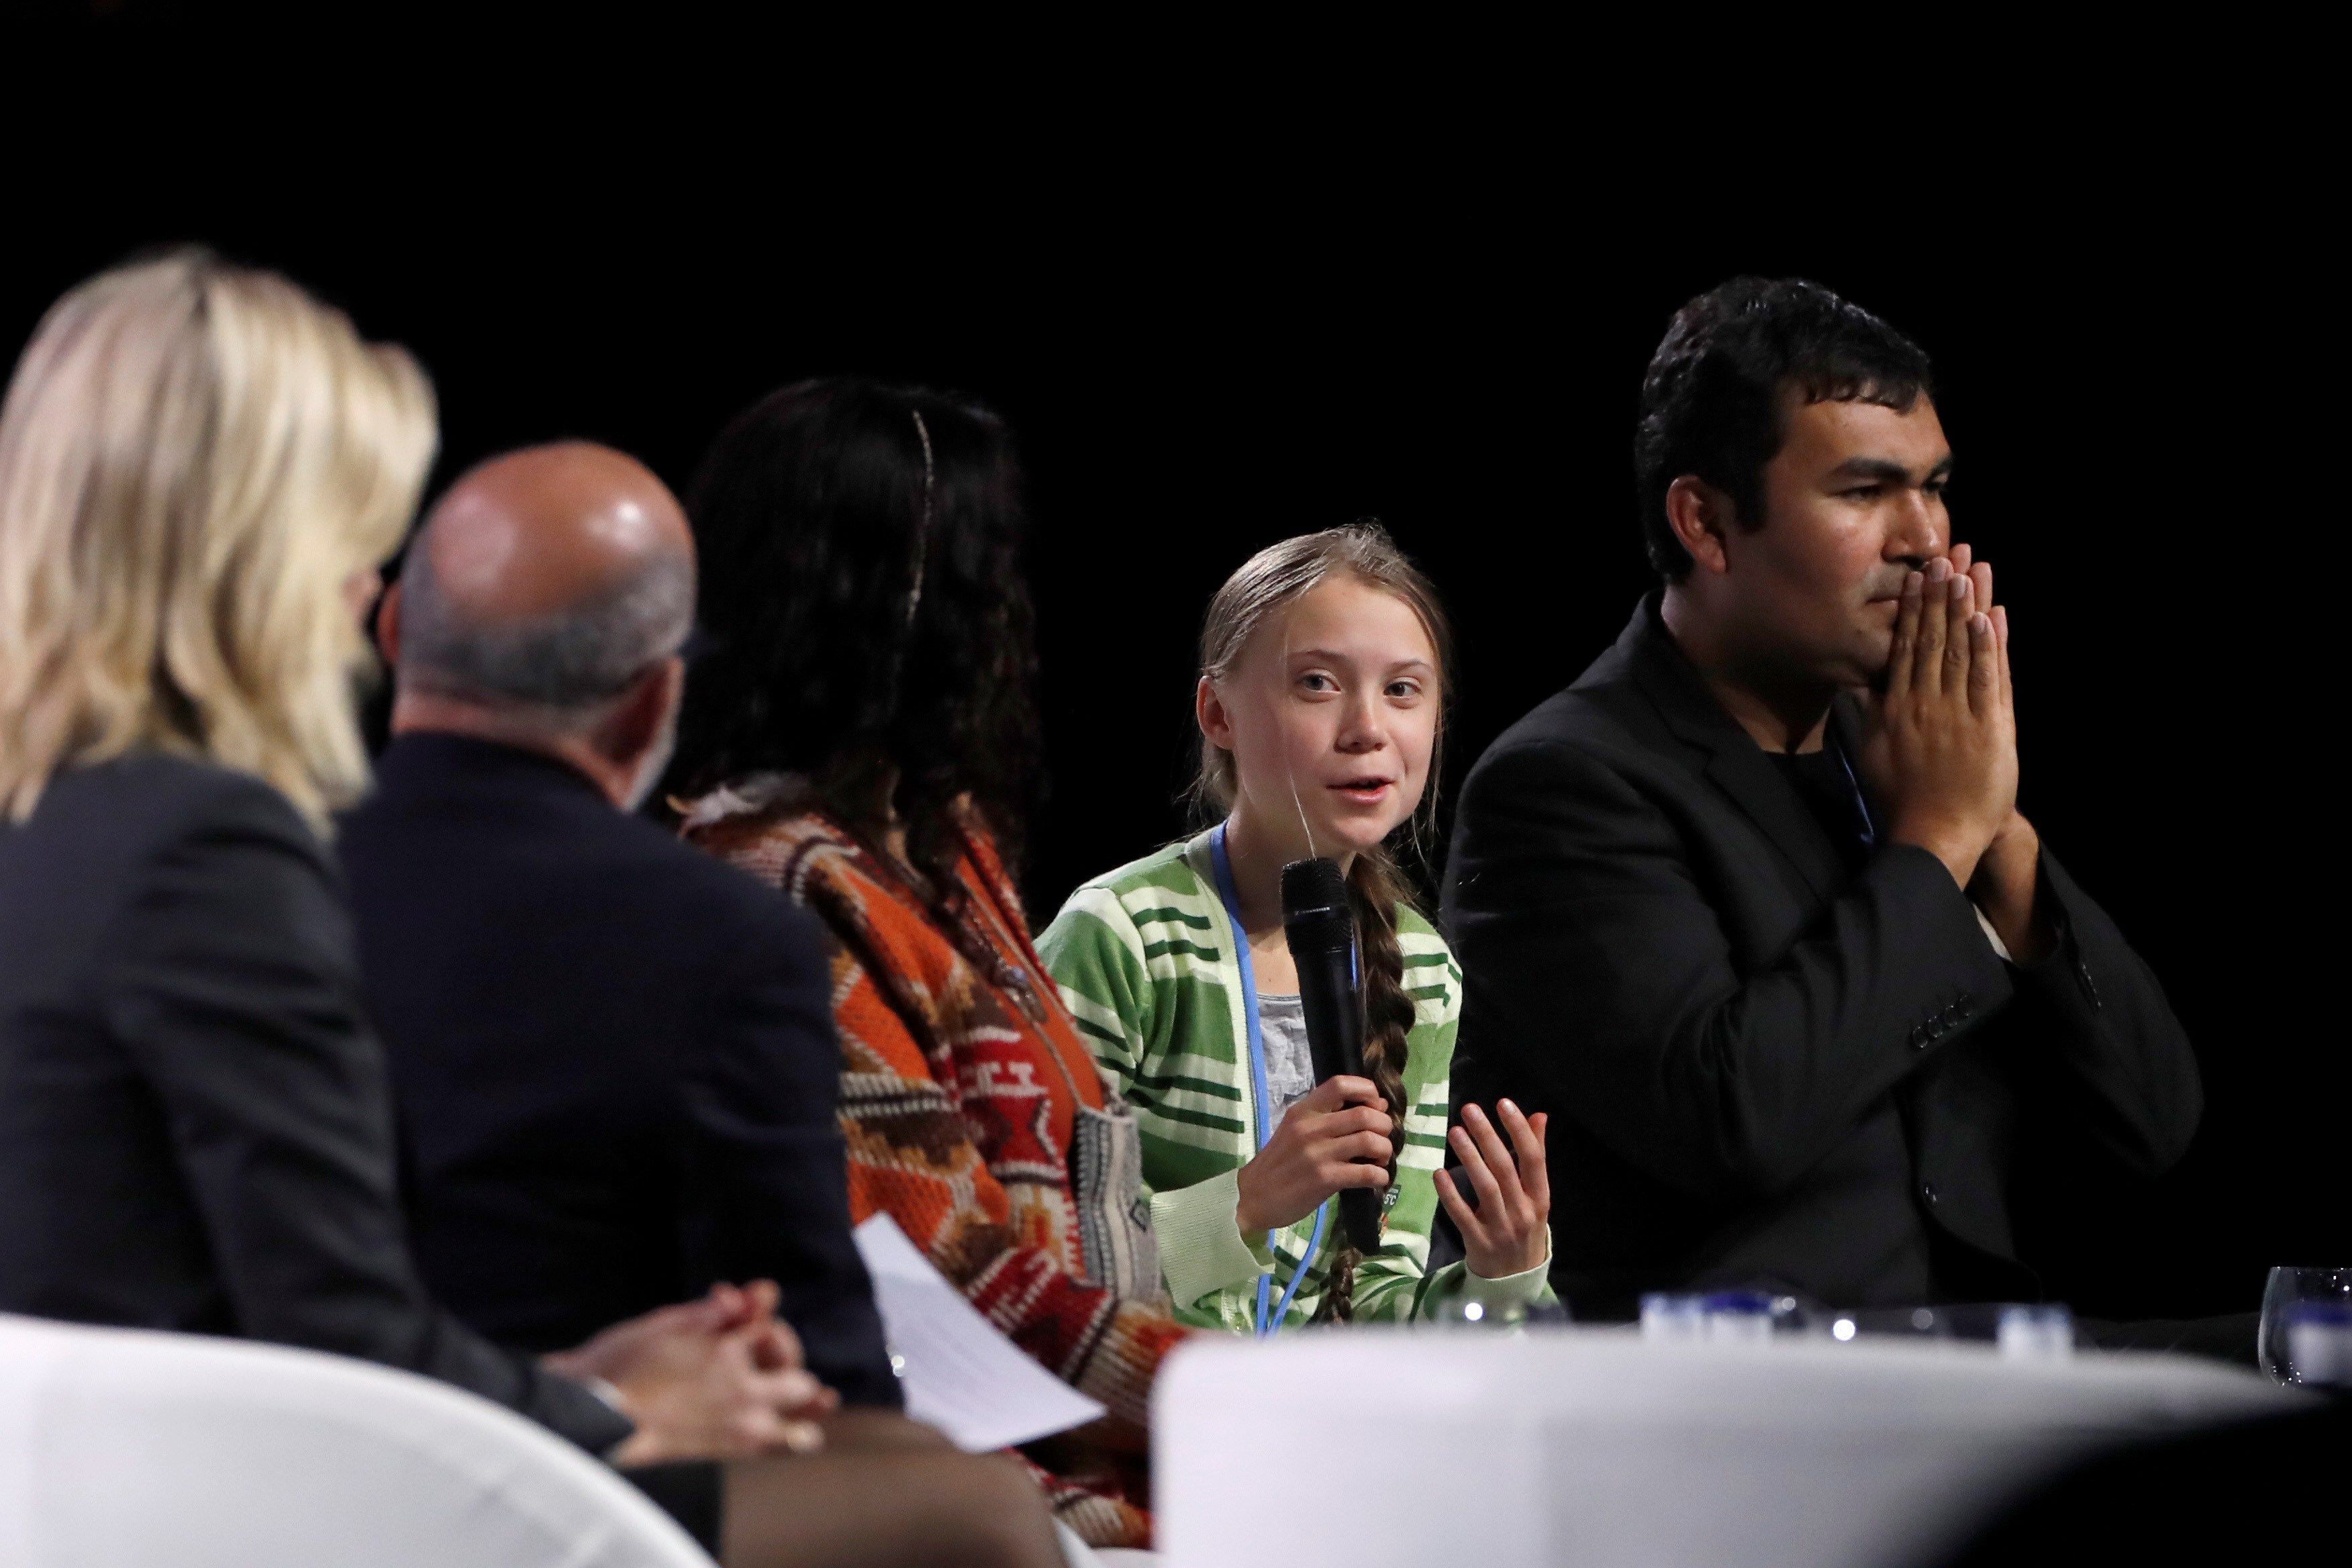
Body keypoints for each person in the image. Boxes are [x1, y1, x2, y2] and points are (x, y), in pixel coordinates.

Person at [0, 254, 1060, 1568]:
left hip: (138, 1489)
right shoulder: (211, 850)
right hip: (263, 1512)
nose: (352, 600)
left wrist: (580, 1370)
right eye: (347, 544)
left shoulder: (55, 821)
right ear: (250, 554)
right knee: (973, 1514)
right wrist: (622, 1402)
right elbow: (341, 1355)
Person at [1441, 277, 2202, 1319]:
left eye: (1934, 486)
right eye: (1863, 491)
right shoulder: (1565, 786)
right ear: (1705, 522)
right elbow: (1732, 1122)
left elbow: (2151, 1128)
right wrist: (1938, 840)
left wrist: (2002, 836)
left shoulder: (1907, 759)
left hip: (1964, 1378)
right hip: (1729, 1422)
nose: (1926, 539)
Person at [670, 377, 1186, 1551]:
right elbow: (957, 1276)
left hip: (1111, 1460)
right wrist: (1244, 1399)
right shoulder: (779, 887)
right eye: (979, 573)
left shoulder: (949, 849)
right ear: (887, 598)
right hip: (974, 1499)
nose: (1005, 618)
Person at [343, 442, 899, 1415]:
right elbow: (816, 1368)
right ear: (655, 701)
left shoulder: (241, 881)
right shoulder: (730, 941)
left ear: (393, 630)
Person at [1038, 524, 1553, 1332]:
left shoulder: (1420, 968)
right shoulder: (1124, 936)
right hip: (1142, 1423)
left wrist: (1503, 1278)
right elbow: (1032, 1262)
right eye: (1317, 683)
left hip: (1311, 1432)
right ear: (1218, 711)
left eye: (1404, 690)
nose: (1367, 727)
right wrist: (1247, 1203)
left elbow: (1378, 1295)